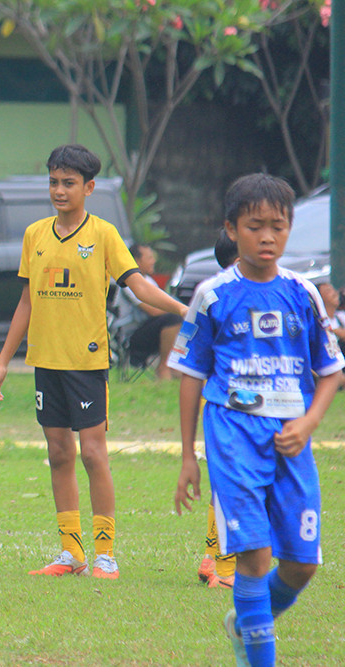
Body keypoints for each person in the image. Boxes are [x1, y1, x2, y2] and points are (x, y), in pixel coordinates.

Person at [0, 144, 187, 580]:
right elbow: (26, 302)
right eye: (54, 182)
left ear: (89, 187)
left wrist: (188, 313)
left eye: (69, 183)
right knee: (59, 453)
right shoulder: (35, 234)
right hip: (45, 362)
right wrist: (3, 362)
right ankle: (70, 553)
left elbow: (140, 287)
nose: (59, 190)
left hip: (87, 363)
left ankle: (106, 554)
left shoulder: (104, 235)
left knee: (94, 455)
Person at [170, 174, 343, 667]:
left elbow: (331, 372)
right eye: (254, 226)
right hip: (233, 435)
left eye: (278, 226)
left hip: (291, 439)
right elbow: (189, 375)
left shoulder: (302, 295)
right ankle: (258, 655)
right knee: (255, 556)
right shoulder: (214, 294)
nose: (267, 237)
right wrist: (188, 456)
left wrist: (308, 423)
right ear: (232, 229)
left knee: (303, 565)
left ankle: (244, 620)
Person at [196, 227, 240, 589]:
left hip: (219, 403)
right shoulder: (220, 297)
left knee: (222, 480)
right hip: (229, 405)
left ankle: (213, 555)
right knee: (230, 480)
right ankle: (222, 561)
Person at [113, 243, 184, 380]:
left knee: (181, 321)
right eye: (150, 258)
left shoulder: (149, 280)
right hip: (131, 337)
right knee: (173, 319)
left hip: (149, 329)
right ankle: (164, 366)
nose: (153, 261)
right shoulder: (129, 281)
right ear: (137, 261)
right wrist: (180, 310)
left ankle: (175, 365)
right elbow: (153, 310)